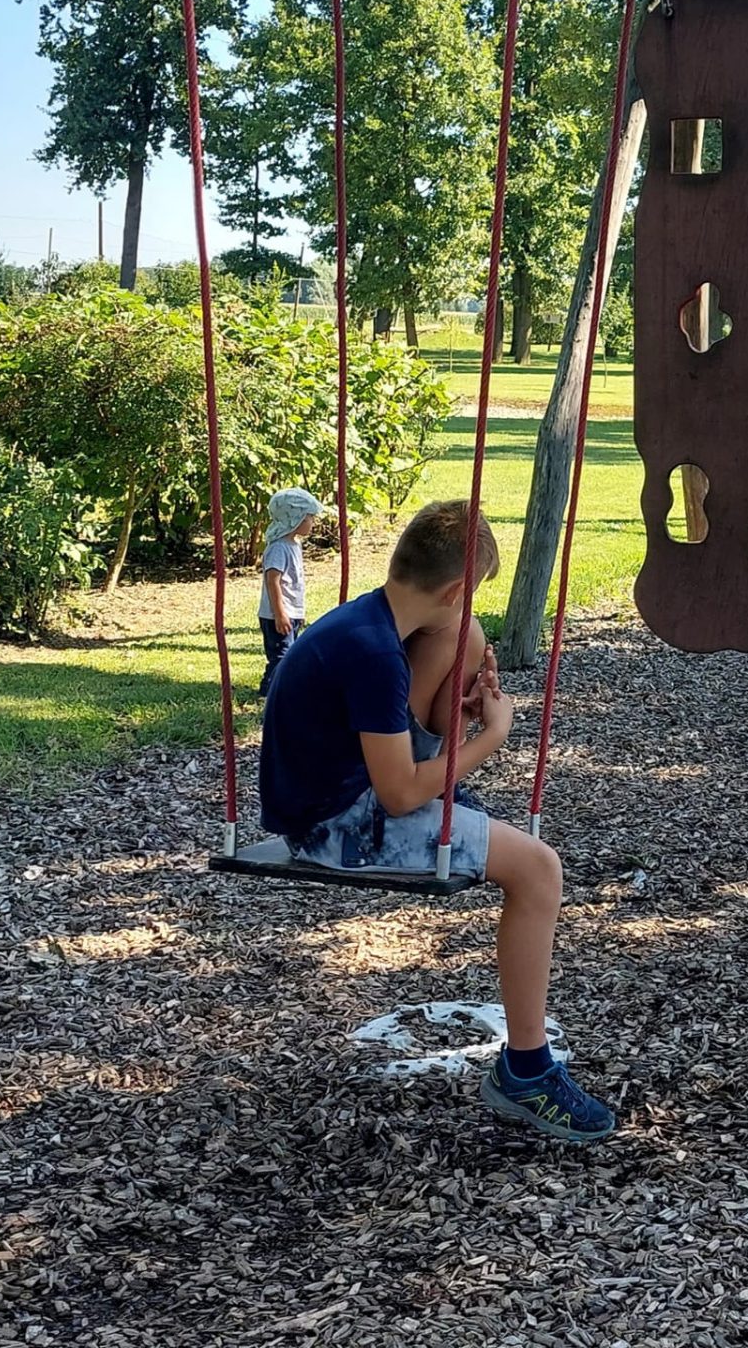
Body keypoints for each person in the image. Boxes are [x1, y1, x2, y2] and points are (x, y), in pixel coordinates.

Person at [258, 498, 616, 1145]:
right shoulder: (373, 654)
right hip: (335, 827)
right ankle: (526, 1073)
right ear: (453, 589)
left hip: (342, 792)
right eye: (470, 593)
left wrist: (460, 713)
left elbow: (397, 763)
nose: (467, 604)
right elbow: (398, 795)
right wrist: (491, 737)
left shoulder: (370, 622)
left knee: (466, 638)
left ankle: (526, 1069)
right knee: (538, 869)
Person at [258, 488, 325, 694]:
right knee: (282, 655)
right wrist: (280, 614)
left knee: (289, 653)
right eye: (309, 518)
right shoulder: (279, 548)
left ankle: (280, 688)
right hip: (277, 614)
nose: (313, 523)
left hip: (290, 612)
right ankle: (270, 690)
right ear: (295, 518)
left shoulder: (293, 545)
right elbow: (273, 581)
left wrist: (297, 612)